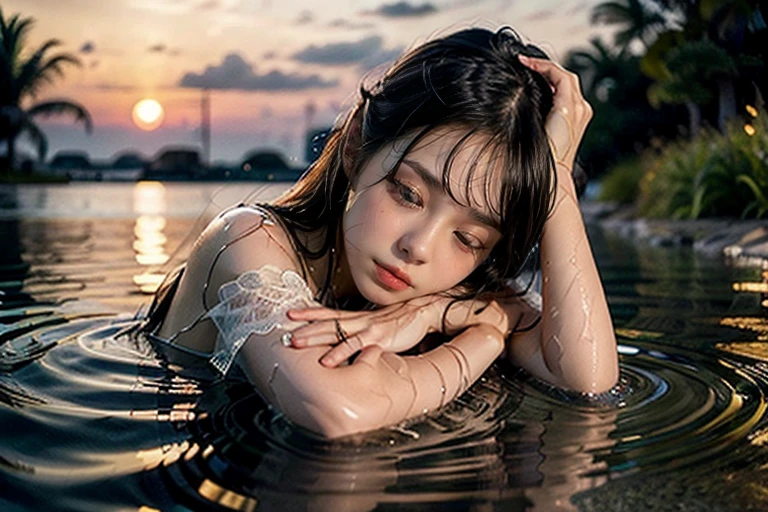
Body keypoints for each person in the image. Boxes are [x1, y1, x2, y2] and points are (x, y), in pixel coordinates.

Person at [142, 26, 619, 439]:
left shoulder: (454, 293)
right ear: (354, 147)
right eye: (408, 194)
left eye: (468, 238)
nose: (418, 247)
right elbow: (338, 411)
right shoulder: (246, 240)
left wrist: (554, 177)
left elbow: (586, 380)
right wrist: (484, 338)